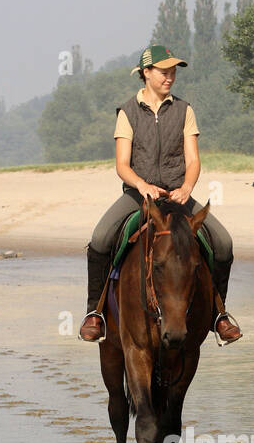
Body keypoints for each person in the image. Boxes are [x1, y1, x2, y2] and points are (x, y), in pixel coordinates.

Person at [79, 45, 241, 343]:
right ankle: (95, 313)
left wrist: (187, 188)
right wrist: (142, 186)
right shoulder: (127, 112)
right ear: (146, 73)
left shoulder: (184, 110)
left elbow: (193, 160)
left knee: (224, 243)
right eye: (164, 72)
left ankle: (219, 314)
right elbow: (122, 165)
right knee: (101, 239)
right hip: (137, 195)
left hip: (178, 195)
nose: (170, 77)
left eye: (173, 72)